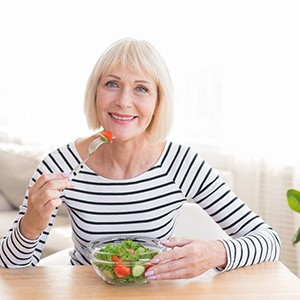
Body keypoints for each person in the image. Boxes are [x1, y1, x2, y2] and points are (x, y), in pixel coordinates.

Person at [0, 38, 281, 280]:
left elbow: (270, 241)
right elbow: (10, 268)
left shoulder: (180, 163)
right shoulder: (60, 164)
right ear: (95, 93)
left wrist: (215, 252)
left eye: (141, 88)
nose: (123, 101)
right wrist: (30, 226)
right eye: (112, 84)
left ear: (159, 102)